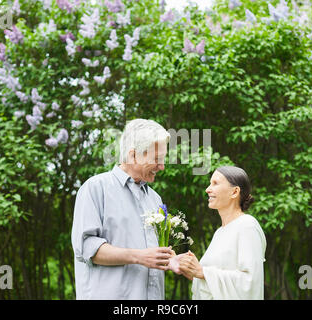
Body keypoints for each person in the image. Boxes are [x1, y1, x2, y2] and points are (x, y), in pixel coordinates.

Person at [71, 119, 174, 299]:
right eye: (156, 159)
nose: (162, 166)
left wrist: (170, 259)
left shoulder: (155, 199)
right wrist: (139, 256)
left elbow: (152, 255)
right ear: (133, 155)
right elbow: (87, 248)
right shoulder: (95, 188)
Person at [169, 166, 266, 299]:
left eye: (215, 183)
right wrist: (187, 267)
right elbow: (210, 284)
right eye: (210, 183)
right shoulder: (219, 232)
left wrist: (202, 272)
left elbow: (249, 283)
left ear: (234, 192)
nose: (207, 189)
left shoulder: (247, 226)